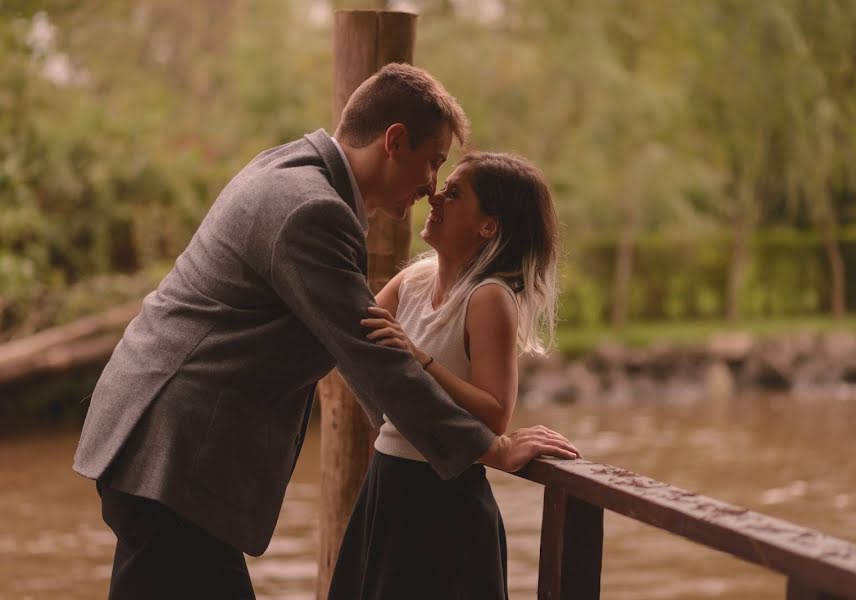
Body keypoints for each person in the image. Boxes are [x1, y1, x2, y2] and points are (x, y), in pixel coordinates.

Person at [73, 63, 579, 600]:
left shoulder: (291, 168)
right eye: (433, 163)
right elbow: (373, 357)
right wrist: (492, 449)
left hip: (159, 445)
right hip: (173, 454)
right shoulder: (313, 209)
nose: (432, 186)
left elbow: (365, 361)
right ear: (395, 141)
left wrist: (411, 432)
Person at [327, 151, 559, 600]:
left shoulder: (489, 299)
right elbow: (356, 350)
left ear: (487, 226)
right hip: (387, 485)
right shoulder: (411, 281)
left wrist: (418, 358)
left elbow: (494, 416)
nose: (434, 197)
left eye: (454, 194)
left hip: (445, 504)